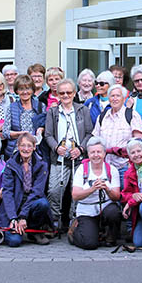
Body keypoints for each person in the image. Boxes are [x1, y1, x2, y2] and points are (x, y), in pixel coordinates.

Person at [44, 79, 94, 230]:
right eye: (62, 93)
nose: (65, 95)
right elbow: (48, 135)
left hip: (78, 159)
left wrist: (80, 149)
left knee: (76, 190)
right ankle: (55, 221)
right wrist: (56, 147)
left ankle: (74, 221)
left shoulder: (82, 110)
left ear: (74, 93)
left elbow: (89, 133)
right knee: (54, 190)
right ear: (58, 94)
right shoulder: (53, 112)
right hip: (59, 158)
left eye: (68, 92)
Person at [0, 132, 53, 247]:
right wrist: (13, 218)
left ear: (34, 147)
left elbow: (37, 192)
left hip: (31, 201)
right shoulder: (10, 164)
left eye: (29, 146)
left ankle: (33, 231)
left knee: (43, 204)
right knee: (14, 241)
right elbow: (7, 192)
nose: (26, 149)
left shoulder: (42, 164)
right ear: (18, 146)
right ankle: (14, 227)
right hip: (14, 204)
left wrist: (23, 216)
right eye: (23, 145)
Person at [71, 137, 122, 249]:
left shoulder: (112, 170)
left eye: (99, 152)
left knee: (114, 212)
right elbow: (75, 196)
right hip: (87, 211)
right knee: (90, 244)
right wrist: (92, 189)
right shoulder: (81, 169)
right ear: (88, 154)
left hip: (106, 208)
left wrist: (107, 189)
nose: (95, 155)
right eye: (92, 152)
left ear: (104, 153)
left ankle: (110, 237)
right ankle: (74, 231)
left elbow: (116, 197)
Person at [91, 84, 142, 186]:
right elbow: (95, 141)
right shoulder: (102, 117)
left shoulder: (132, 115)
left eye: (118, 96)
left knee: (125, 198)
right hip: (105, 168)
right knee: (107, 198)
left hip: (124, 167)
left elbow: (138, 143)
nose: (115, 99)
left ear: (124, 99)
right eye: (112, 96)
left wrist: (132, 164)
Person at [2, 75, 45, 159]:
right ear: (17, 91)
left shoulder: (40, 106)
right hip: (16, 150)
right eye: (21, 89)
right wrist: (21, 134)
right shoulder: (12, 107)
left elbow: (46, 126)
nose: (25, 92)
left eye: (28, 88)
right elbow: (5, 132)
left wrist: (42, 129)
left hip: (36, 150)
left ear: (32, 90)